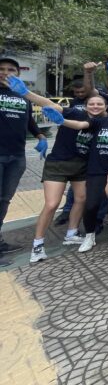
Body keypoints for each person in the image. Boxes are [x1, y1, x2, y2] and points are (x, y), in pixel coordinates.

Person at [28, 94, 108, 263]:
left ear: (106, 107)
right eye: (92, 104)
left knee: (81, 199)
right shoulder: (76, 113)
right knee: (52, 204)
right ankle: (38, 244)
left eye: (99, 104)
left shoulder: (102, 122)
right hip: (58, 163)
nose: (95, 106)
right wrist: (25, 93)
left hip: (81, 165)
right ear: (86, 106)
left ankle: (71, 233)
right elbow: (51, 105)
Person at [56, 96, 108, 253]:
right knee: (91, 205)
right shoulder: (101, 121)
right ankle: (89, 235)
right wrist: (62, 120)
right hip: (96, 170)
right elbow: (80, 124)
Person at [0, 63, 47, 264]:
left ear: (18, 74)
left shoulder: (23, 95)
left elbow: (28, 120)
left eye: (11, 70)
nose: (5, 73)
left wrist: (40, 135)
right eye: (1, 69)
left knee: (4, 200)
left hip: (17, 156)